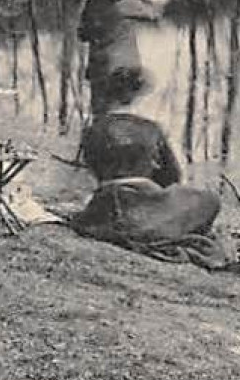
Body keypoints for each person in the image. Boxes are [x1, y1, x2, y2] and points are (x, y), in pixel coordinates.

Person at [70, 71, 222, 266]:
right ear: (139, 96)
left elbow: (92, 168)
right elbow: (173, 176)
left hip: (107, 207)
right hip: (142, 204)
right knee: (208, 199)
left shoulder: (94, 128)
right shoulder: (151, 128)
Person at [77, 0, 164, 116]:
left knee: (101, 115)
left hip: (98, 67)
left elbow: (82, 35)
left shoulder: (93, 4)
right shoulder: (131, 5)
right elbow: (154, 13)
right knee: (123, 114)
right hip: (125, 69)